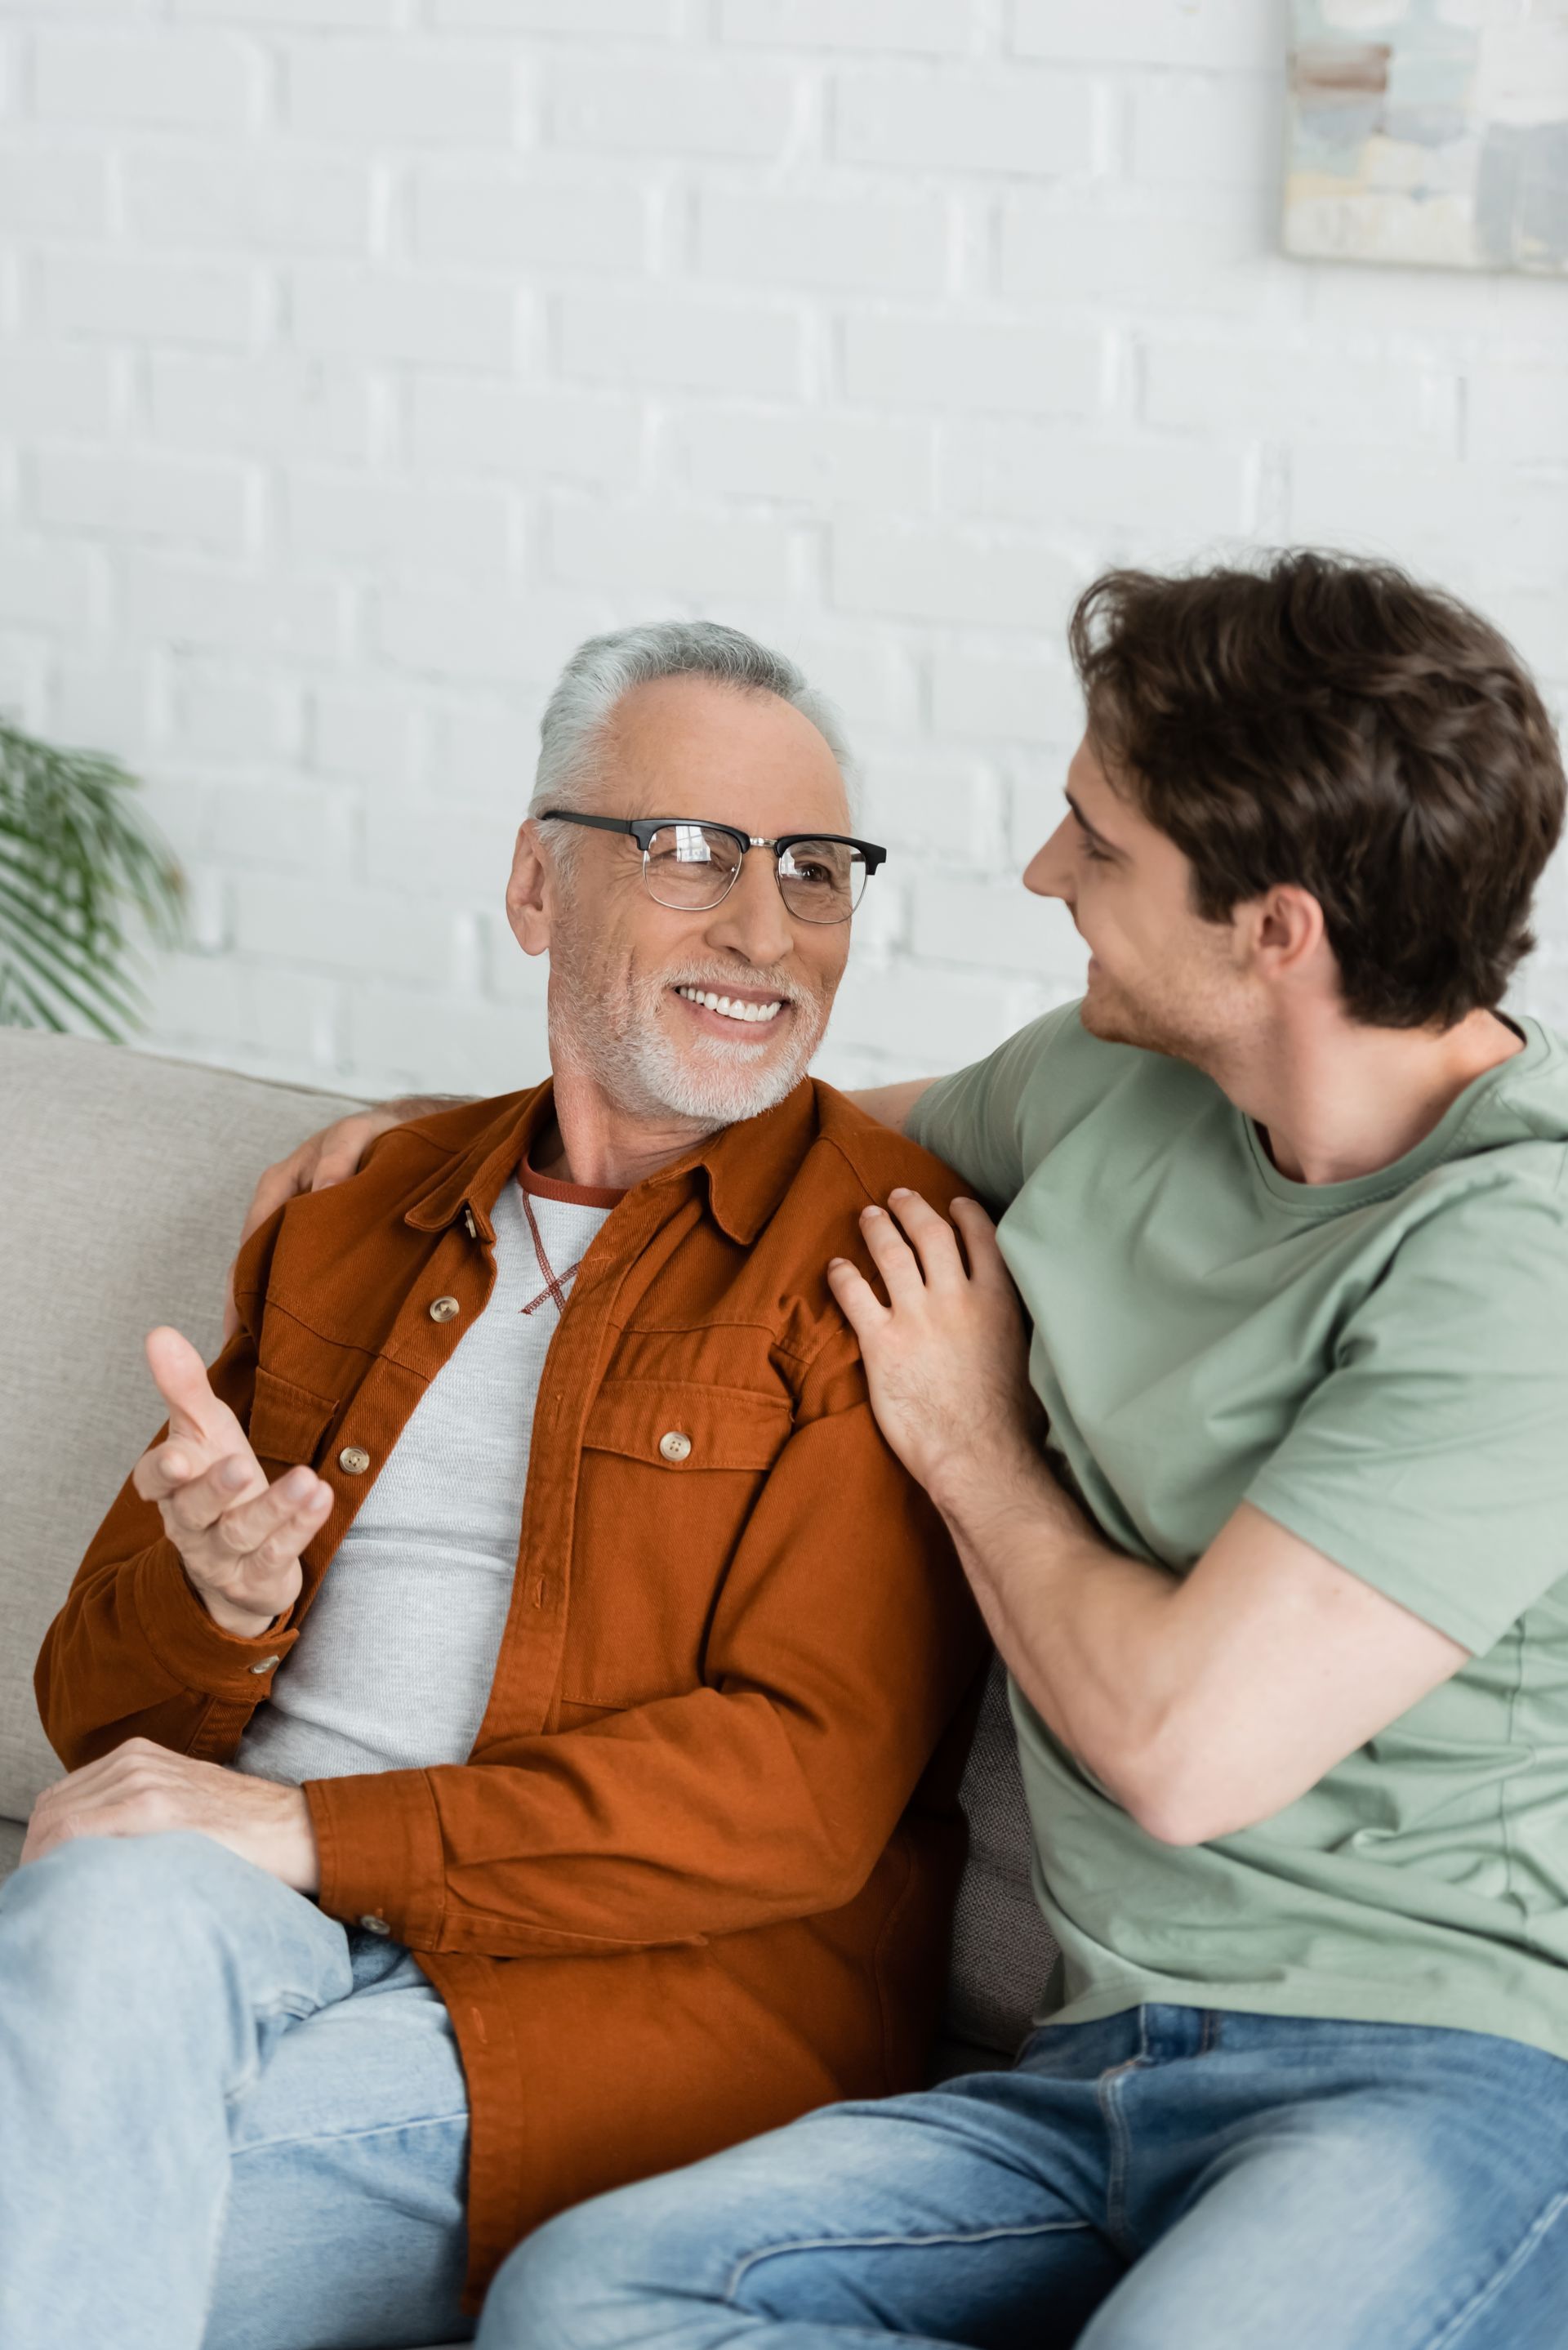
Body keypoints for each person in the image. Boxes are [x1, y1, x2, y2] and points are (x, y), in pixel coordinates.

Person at [277, 553, 1568, 2349]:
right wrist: (429, 1144)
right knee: (587, 2295)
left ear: (1275, 927)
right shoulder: (1107, 1085)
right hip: (1091, 2072)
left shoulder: (1525, 1259)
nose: (1045, 874)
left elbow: (1182, 1749)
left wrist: (968, 1436)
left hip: (1441, 2077)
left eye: (1097, 844)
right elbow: (745, 1134)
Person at [0, 622, 987, 2350]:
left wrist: (303, 1826)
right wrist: (219, 1601)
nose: (765, 926)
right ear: (540, 882)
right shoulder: (357, 1210)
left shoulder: (882, 1259)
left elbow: (799, 1784)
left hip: (601, 2016)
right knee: (98, 1896)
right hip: (224, 1919)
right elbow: (93, 1720)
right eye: (691, 853)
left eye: (815, 870)